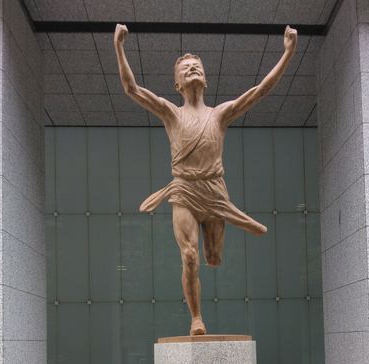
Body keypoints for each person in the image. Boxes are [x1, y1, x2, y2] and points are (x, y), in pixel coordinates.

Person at [114, 24, 298, 336]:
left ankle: (212, 254)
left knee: (213, 257)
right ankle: (196, 319)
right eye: (185, 67)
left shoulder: (220, 114)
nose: (192, 68)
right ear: (177, 84)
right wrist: (118, 46)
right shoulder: (172, 113)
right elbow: (132, 89)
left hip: (214, 192)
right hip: (184, 190)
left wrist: (288, 53)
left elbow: (260, 91)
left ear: (206, 79)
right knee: (189, 256)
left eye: (197, 66)